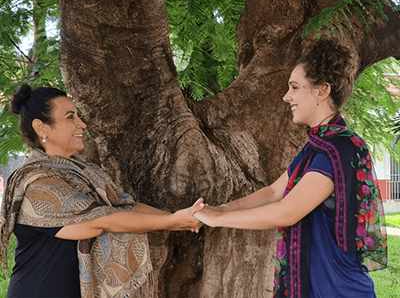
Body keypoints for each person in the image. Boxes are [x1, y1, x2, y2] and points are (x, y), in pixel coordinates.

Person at [194, 38, 387, 298]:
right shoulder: (317, 147)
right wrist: (224, 208)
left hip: (338, 288)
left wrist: (217, 220)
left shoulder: (340, 148)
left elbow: (286, 212)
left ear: (322, 90)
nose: (287, 97)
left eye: (295, 87)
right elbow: (274, 191)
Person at [0, 85, 204, 298]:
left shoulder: (84, 172)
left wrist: (185, 218)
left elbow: (126, 206)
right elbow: (100, 221)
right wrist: (172, 222)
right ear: (41, 128)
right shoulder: (36, 183)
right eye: (70, 117)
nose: (82, 124)